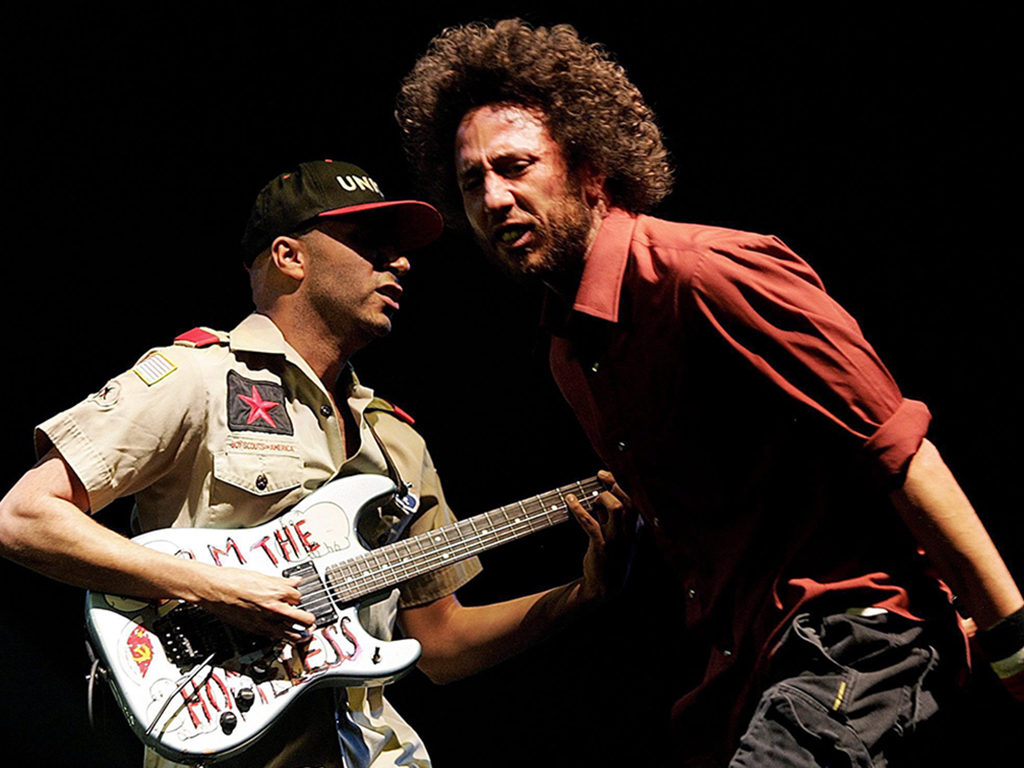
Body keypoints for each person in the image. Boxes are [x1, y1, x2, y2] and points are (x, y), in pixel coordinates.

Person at [396, 19, 1024, 766]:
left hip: (861, 632)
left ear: (591, 167)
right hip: (757, 665)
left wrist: (1012, 642)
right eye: (473, 181)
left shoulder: (705, 274)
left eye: (516, 166)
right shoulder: (571, 351)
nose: (495, 198)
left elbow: (900, 451)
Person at [0, 158, 633, 768]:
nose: (402, 262)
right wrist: (217, 588)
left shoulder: (397, 442)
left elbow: (439, 643)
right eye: (370, 241)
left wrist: (585, 594)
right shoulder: (194, 378)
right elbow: (24, 518)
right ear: (289, 256)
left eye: (399, 248)